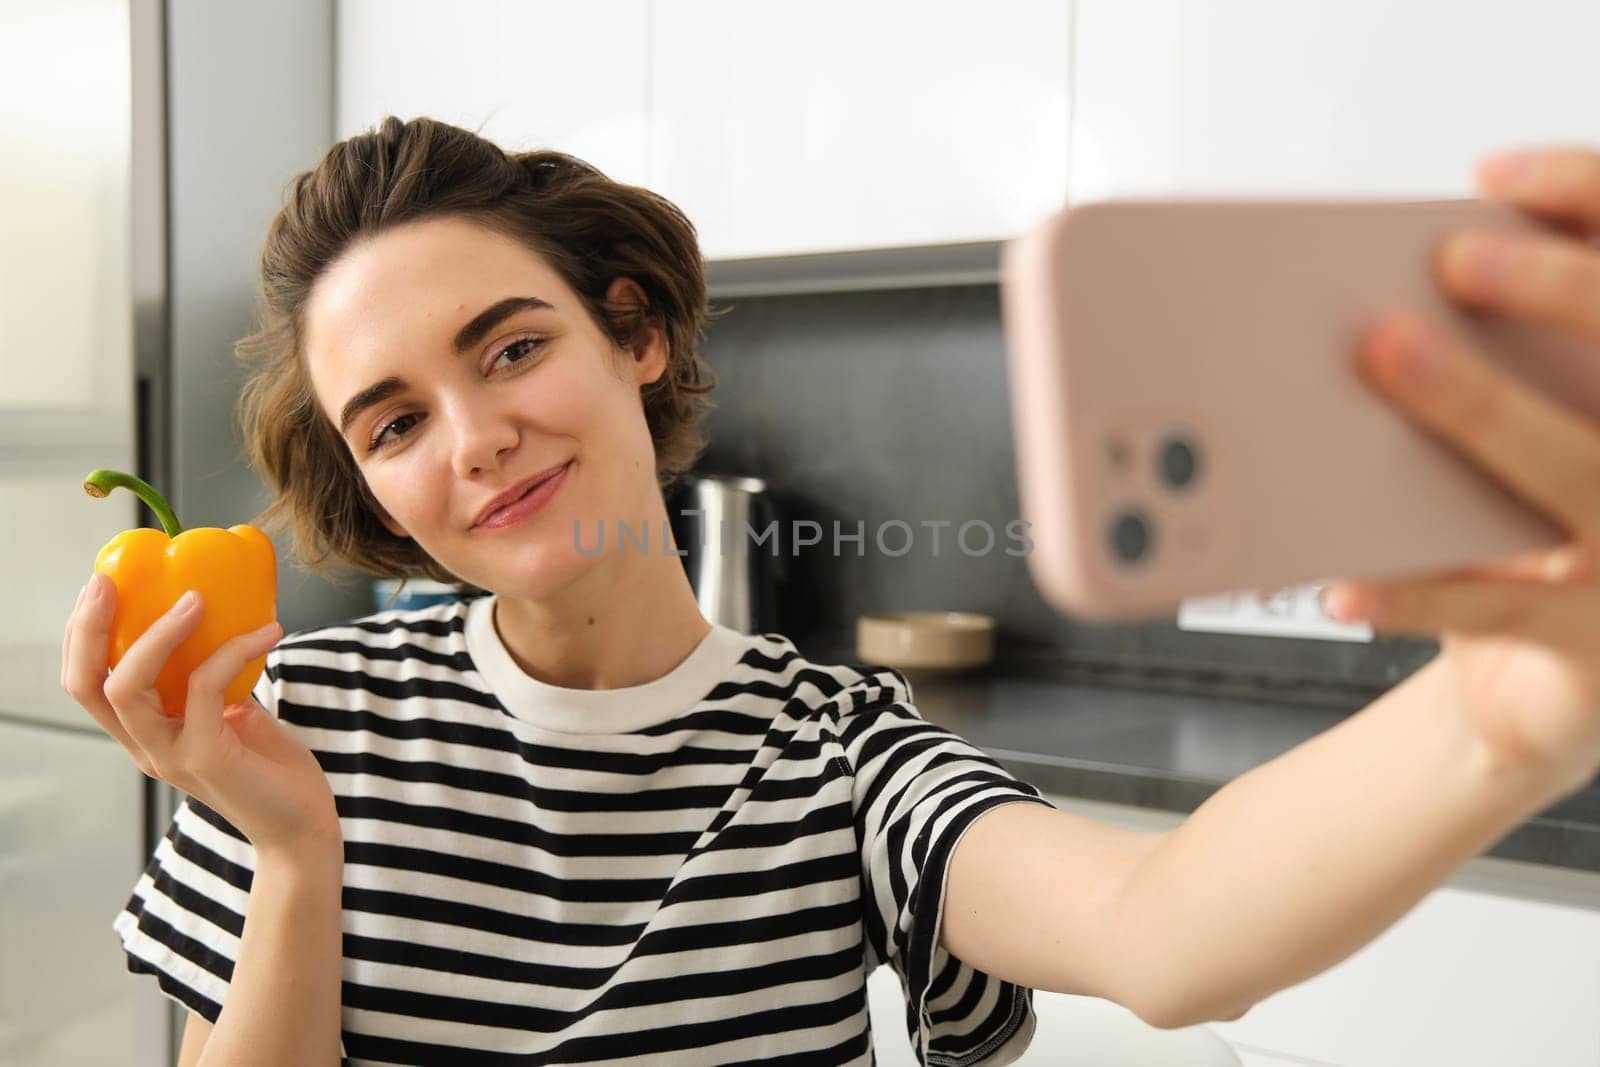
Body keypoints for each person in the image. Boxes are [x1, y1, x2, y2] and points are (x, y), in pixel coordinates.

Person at [58, 116, 1600, 1066]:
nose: (474, 441)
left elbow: (1163, 930)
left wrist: (1505, 716)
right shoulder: (298, 735)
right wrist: (299, 860)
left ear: (633, 336)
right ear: (370, 483)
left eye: (512, 346)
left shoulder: (837, 755)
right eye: (394, 421)